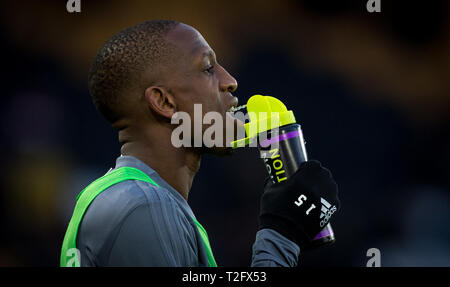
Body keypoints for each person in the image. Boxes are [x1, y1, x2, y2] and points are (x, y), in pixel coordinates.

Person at [60, 20, 340, 267]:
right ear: (164, 102)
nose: (230, 81)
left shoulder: (136, 199)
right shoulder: (143, 207)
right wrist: (281, 235)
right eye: (208, 68)